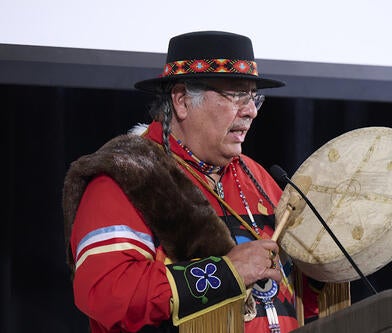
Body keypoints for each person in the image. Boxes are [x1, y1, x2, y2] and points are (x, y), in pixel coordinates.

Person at [62, 30, 322, 333]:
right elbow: (107, 294)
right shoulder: (126, 177)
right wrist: (227, 272)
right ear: (183, 100)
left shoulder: (257, 177)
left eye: (254, 97)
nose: (251, 111)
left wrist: (322, 268)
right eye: (236, 95)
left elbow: (290, 296)